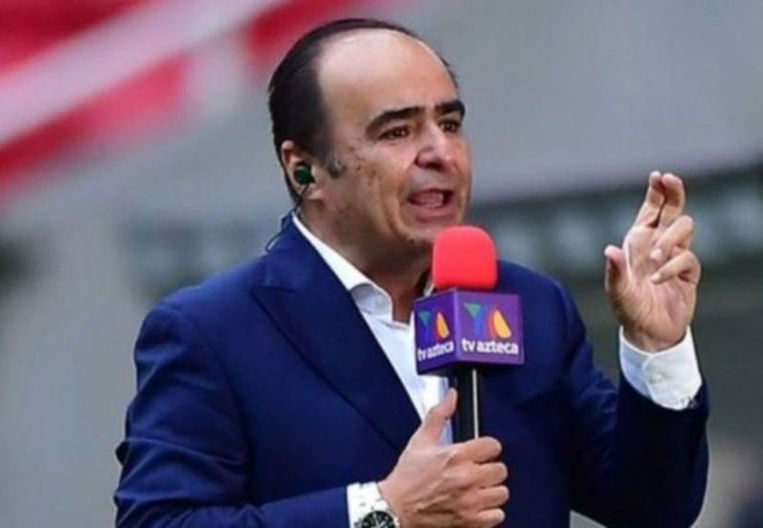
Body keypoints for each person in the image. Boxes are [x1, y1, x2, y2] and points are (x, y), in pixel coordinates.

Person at [115, 18, 708, 528]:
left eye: (449, 123)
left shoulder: (531, 305)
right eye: (397, 131)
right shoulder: (214, 332)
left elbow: (654, 509)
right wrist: (383, 509)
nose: (440, 154)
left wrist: (657, 348)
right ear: (305, 171)